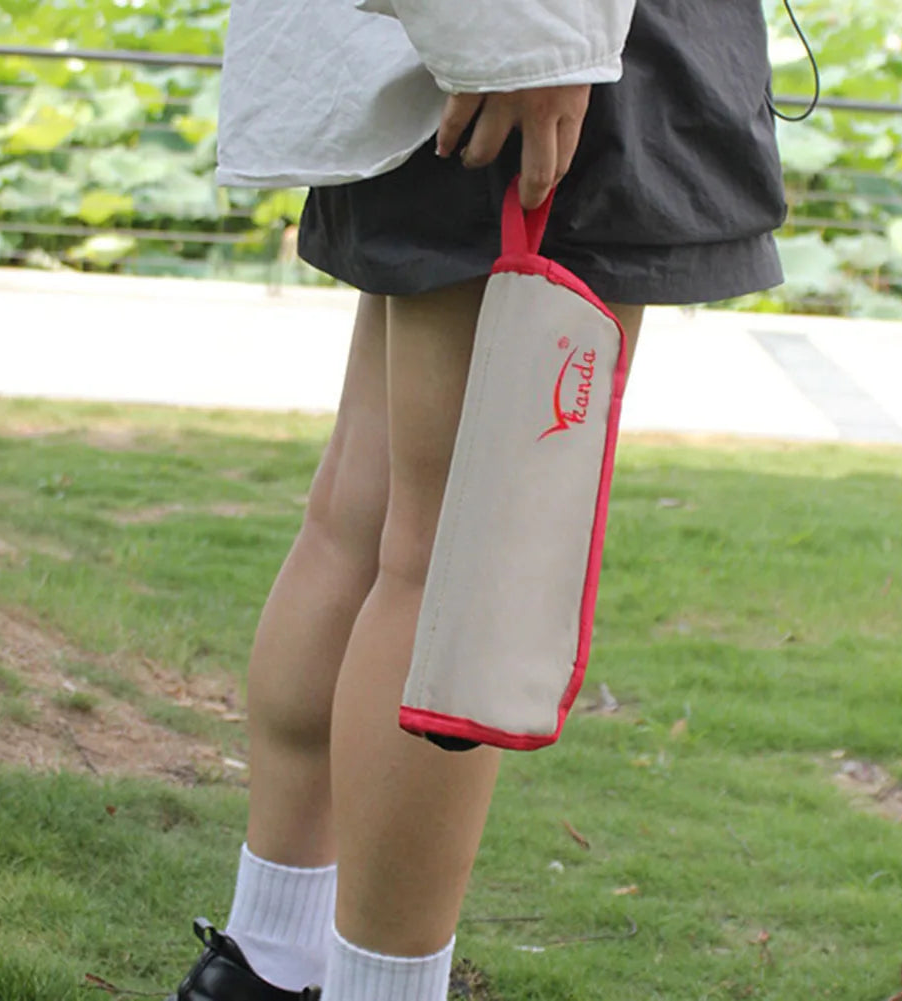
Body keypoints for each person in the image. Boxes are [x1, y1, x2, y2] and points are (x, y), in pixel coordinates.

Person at [166, 1, 786, 999]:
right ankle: (375, 987)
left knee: (362, 527)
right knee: (461, 574)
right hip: (536, 53)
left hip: (479, 52)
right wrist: (530, 40)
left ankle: (267, 959)